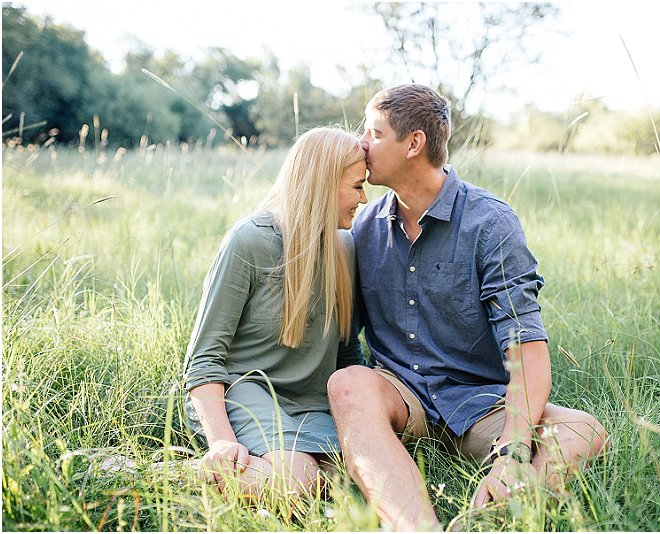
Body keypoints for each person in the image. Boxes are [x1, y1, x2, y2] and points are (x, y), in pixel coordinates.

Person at [327, 84, 609, 530]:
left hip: (478, 403)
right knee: (348, 384)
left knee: (583, 431)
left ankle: (488, 519)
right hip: (400, 398)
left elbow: (526, 349)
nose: (362, 144)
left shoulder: (490, 223)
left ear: (414, 143)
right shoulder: (362, 227)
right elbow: (340, 338)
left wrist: (512, 454)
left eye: (375, 133)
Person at [182, 127, 368, 501]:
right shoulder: (249, 241)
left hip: (311, 404)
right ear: (324, 184)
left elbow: (346, 357)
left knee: (352, 481)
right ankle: (168, 475)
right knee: (297, 480)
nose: (363, 199)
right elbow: (203, 359)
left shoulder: (345, 247)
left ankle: (265, 471)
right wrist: (221, 442)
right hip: (244, 391)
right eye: (357, 186)